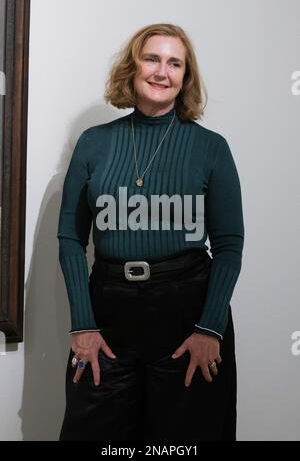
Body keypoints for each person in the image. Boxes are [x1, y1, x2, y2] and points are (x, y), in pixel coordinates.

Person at [57, 23, 244, 441]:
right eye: (152, 59)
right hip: (109, 311)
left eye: (174, 63)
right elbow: (70, 237)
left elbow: (229, 245)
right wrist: (82, 326)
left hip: (187, 312)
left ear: (185, 77)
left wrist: (209, 329)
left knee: (185, 442)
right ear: (133, 67)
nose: (162, 71)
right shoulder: (94, 143)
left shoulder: (211, 147)